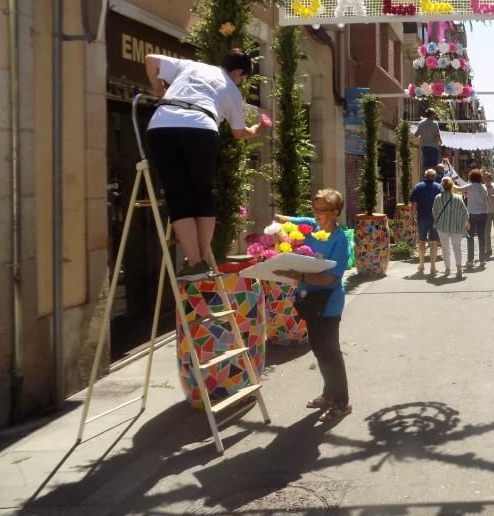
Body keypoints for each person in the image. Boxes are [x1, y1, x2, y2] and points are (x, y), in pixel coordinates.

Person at [144, 49, 269, 281]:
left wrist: (158, 88)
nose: (240, 81)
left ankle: (195, 261)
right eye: (242, 77)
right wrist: (257, 130)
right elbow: (239, 133)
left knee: (177, 195)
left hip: (162, 125)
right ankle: (200, 260)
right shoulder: (231, 89)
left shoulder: (191, 66)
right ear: (239, 72)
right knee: (201, 194)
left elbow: (150, 60)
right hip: (201, 128)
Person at [273, 189, 352, 421]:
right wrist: (278, 231)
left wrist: (299, 275)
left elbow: (331, 278)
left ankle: (342, 402)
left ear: (336, 212)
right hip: (308, 299)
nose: (317, 214)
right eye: (315, 209)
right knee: (319, 349)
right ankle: (329, 395)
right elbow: (281, 220)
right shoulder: (311, 227)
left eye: (323, 210)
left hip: (328, 303)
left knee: (330, 352)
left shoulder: (340, 240)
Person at [432, 176, 469, 277]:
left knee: (445, 247)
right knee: (457, 247)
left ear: (442, 186)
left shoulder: (438, 197)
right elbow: (465, 213)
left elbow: (434, 212)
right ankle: (459, 269)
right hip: (456, 227)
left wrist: (437, 222)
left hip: (442, 227)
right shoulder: (458, 198)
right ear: (452, 186)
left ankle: (447, 268)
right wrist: (466, 223)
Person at [409, 169, 442, 276]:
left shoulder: (418, 187)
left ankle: (422, 264)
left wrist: (411, 217)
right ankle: (433, 267)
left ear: (425, 176)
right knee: (434, 242)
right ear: (434, 176)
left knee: (422, 240)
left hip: (422, 217)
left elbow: (413, 204)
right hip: (435, 218)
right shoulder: (438, 187)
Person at [458, 168, 489, 267]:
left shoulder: (470, 186)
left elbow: (458, 189)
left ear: (471, 177)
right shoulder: (483, 187)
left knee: (470, 237)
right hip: (483, 214)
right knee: (481, 236)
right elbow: (485, 199)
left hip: (471, 215)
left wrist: (449, 182)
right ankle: (482, 260)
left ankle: (470, 260)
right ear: (480, 177)